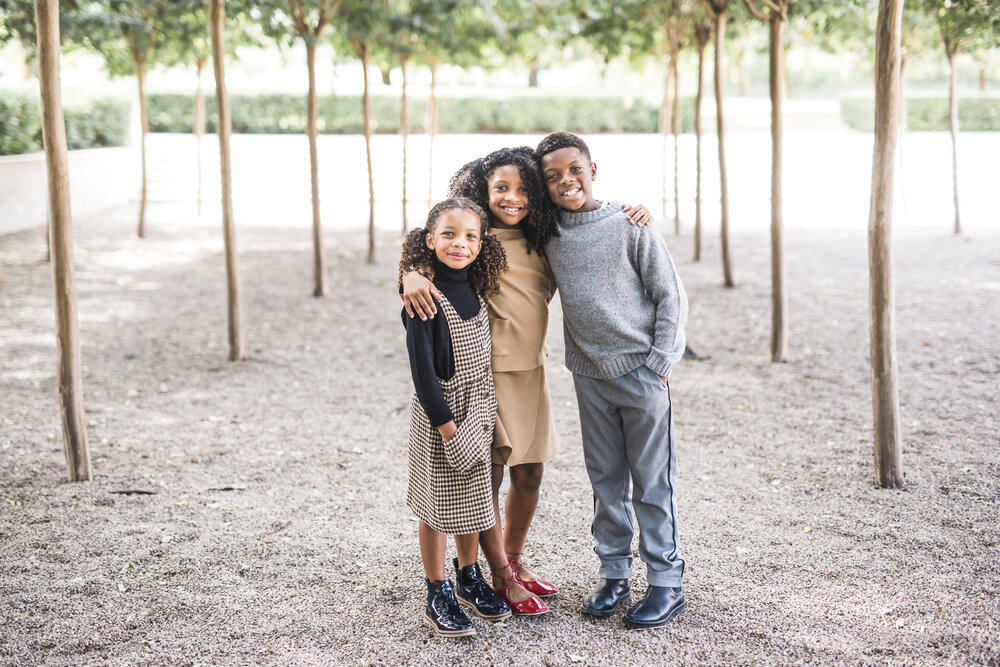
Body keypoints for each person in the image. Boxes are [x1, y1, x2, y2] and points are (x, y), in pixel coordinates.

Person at [401, 147, 654, 615]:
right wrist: (411, 273)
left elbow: (590, 220)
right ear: (484, 189)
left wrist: (630, 210)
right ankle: (494, 574)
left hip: (531, 372)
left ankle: (513, 560)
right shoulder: (477, 238)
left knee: (531, 474)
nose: (513, 198)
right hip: (484, 377)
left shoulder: (547, 237)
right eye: (501, 188)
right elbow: (433, 255)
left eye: (523, 188)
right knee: (484, 481)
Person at [536, 131, 688, 629]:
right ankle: (614, 574)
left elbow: (670, 297)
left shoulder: (630, 224)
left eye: (574, 170)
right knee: (605, 480)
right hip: (589, 377)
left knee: (650, 482)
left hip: (642, 374)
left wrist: (660, 364)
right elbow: (475, 207)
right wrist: (412, 266)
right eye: (553, 176)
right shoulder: (546, 233)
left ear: (592, 170)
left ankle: (666, 583)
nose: (566, 181)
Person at [399, 197, 513, 638]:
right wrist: (449, 430)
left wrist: (478, 420)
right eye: (448, 235)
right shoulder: (423, 297)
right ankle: (437, 590)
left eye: (470, 236)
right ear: (429, 241)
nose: (459, 244)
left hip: (477, 411)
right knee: (436, 507)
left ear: (481, 244)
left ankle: (468, 575)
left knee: (472, 502)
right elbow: (423, 375)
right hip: (440, 418)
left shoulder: (477, 290)